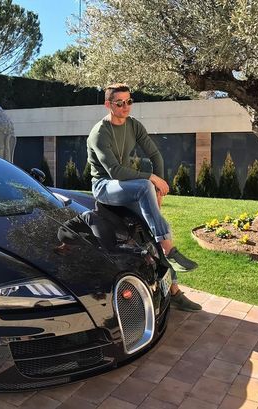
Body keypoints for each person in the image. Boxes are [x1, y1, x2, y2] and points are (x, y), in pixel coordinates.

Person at [86, 83, 200, 311]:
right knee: (145, 187)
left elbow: (155, 154)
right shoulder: (100, 133)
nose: (126, 106)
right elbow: (115, 172)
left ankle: (175, 291)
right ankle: (169, 249)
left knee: (158, 225)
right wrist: (153, 180)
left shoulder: (133, 125)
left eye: (129, 101)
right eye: (120, 103)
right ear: (108, 104)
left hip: (128, 186)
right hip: (105, 187)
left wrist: (157, 189)